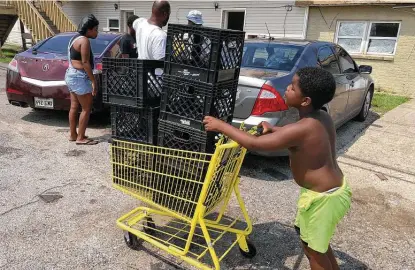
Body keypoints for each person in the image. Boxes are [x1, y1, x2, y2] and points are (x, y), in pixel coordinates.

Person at [203, 67, 352, 270]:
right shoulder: (321, 117)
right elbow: (297, 135)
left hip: (322, 200)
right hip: (333, 191)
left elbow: (254, 144)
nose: (287, 88)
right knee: (318, 245)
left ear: (305, 101)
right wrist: (274, 128)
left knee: (313, 252)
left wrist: (221, 126)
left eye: (292, 87)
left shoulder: (300, 129)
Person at [64, 14, 99, 145]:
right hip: (79, 77)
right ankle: (81, 138)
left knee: (74, 106)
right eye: (95, 29)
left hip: (71, 75)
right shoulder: (84, 40)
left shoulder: (74, 38)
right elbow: (85, 62)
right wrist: (93, 81)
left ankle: (73, 134)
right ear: (89, 29)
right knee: (86, 107)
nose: (97, 32)